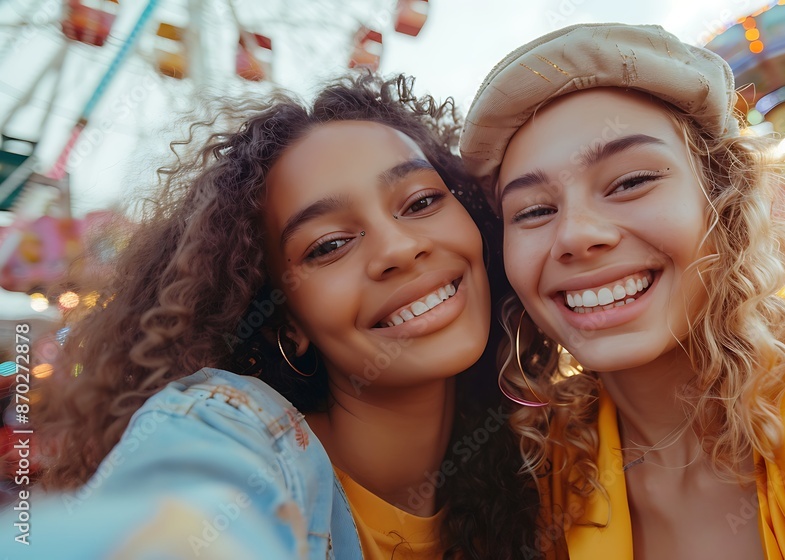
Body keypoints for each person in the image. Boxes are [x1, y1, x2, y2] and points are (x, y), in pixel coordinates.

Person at [459, 23, 785, 560]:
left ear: (724, 204)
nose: (577, 235)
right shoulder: (531, 474)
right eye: (533, 211)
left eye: (630, 182)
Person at [14, 74, 537, 559]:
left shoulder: (543, 457)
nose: (399, 248)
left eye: (421, 201)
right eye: (330, 245)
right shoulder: (239, 431)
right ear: (285, 321)